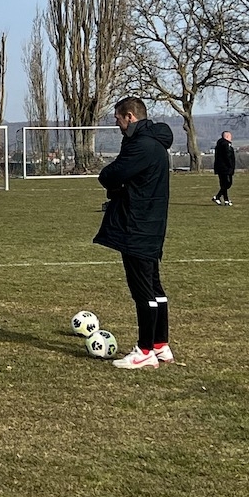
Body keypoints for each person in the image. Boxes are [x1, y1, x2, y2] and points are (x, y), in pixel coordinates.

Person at [93, 96, 175, 370]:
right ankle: (161, 344)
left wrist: (116, 186)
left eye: (118, 118)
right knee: (155, 287)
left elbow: (109, 175)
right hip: (152, 224)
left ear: (130, 116)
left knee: (143, 292)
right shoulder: (155, 143)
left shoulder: (141, 145)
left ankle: (144, 351)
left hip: (138, 226)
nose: (117, 124)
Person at [213, 131, 235, 206]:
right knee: (228, 183)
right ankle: (217, 197)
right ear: (227, 136)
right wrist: (231, 165)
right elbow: (228, 156)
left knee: (223, 184)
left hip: (220, 167)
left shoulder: (219, 144)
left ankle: (226, 200)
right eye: (230, 136)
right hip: (225, 168)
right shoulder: (226, 145)